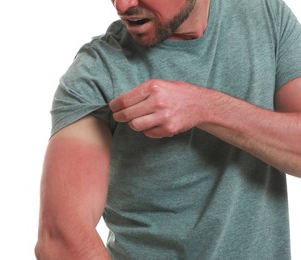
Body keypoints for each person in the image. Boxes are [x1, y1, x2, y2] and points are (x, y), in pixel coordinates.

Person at [35, 0, 301, 259]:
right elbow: (60, 240)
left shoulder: (265, 14)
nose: (122, 6)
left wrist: (205, 106)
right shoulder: (96, 73)